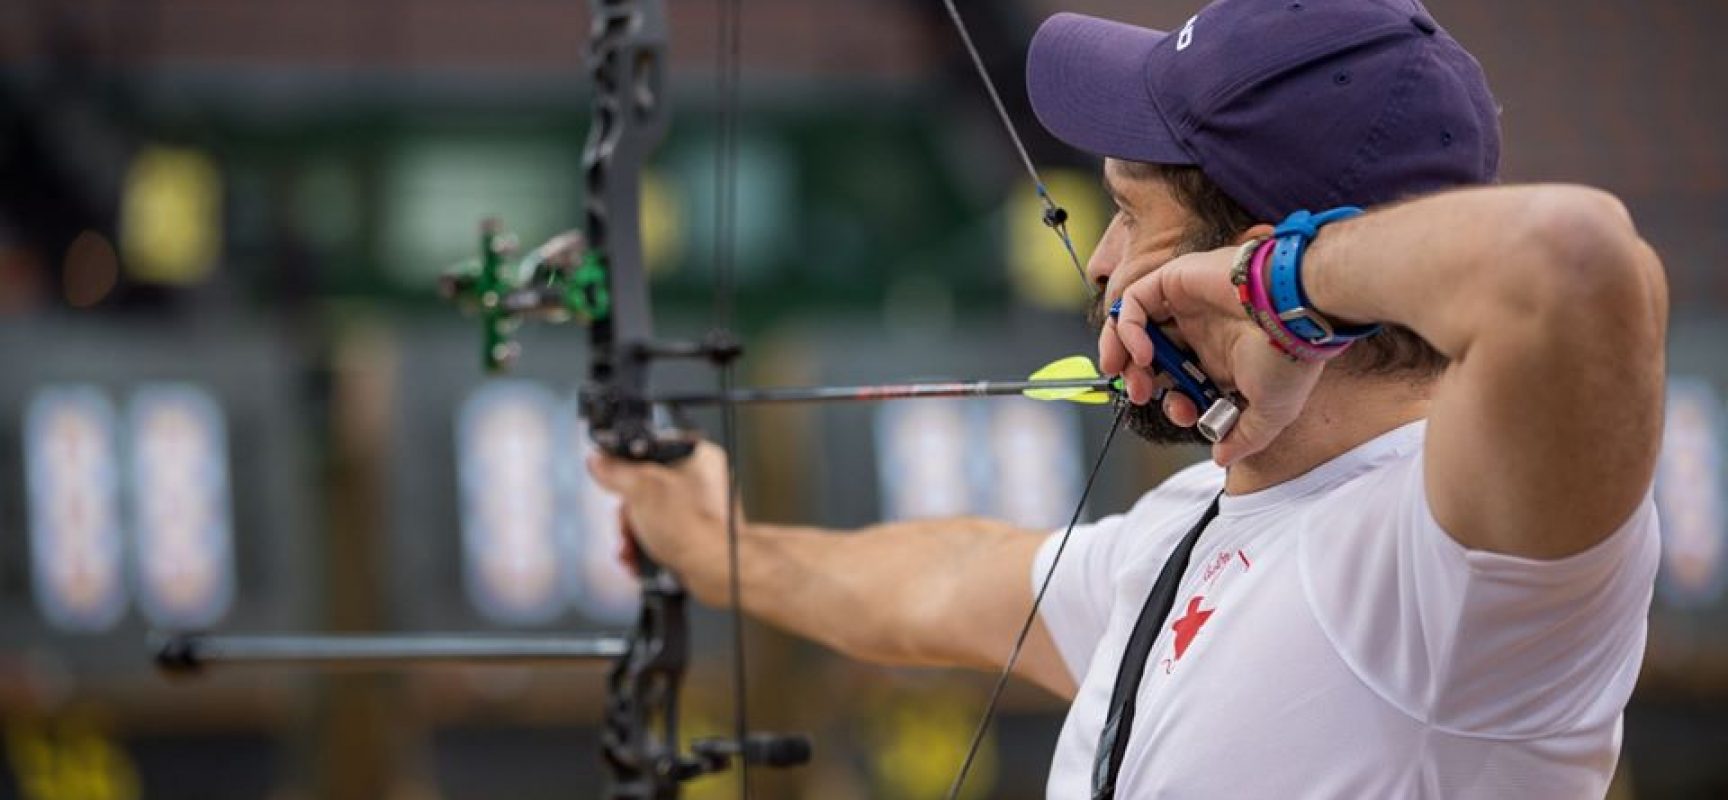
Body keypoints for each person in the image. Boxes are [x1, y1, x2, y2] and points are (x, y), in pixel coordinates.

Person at [590, 0, 1669, 796]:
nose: (1100, 258)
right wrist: (717, 543)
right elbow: (949, 580)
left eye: (1128, 211)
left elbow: (1573, 263)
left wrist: (1278, 291)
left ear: (1247, 261)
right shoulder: (1196, 528)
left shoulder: (1456, 569)